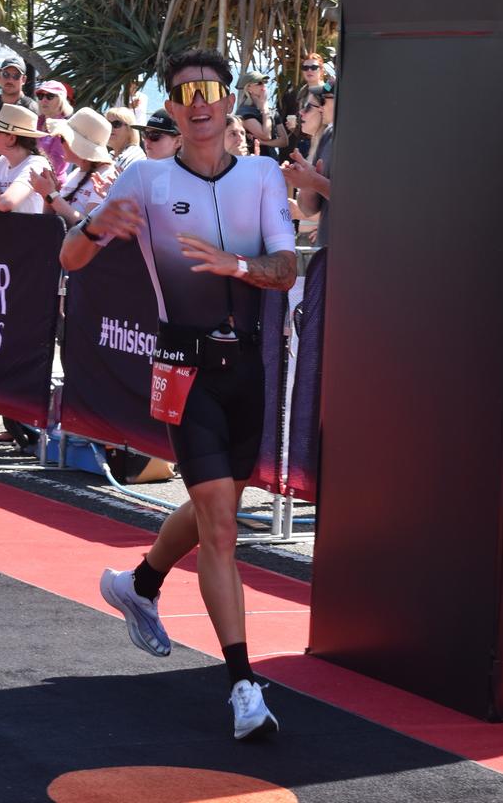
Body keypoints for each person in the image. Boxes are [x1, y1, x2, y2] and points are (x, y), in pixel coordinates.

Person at [60, 48, 296, 740]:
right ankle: (243, 685)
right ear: (170, 106)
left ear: (228, 104)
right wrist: (99, 225)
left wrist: (240, 265)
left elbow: (284, 268)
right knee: (220, 523)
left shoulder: (260, 175)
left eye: (210, 90)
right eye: (184, 92)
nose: (198, 102)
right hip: (181, 364)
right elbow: (71, 257)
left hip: (246, 369)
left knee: (213, 504)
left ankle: (140, 585)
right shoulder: (145, 177)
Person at [30, 107, 116, 227]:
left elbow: (87, 228)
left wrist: (51, 195)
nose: (58, 141)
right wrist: (48, 195)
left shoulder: (106, 177)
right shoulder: (76, 173)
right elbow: (49, 221)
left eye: (62, 138)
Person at [282, 77, 335, 248]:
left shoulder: (369, 141)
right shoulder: (329, 136)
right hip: (323, 252)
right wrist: (305, 182)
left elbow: (359, 204)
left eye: (325, 99)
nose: (321, 107)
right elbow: (310, 208)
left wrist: (312, 180)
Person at [235, 70, 287, 159]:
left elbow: (284, 141)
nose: (263, 86)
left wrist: (263, 142)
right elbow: (266, 135)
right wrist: (265, 109)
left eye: (264, 82)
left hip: (272, 161)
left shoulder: (272, 112)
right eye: (259, 83)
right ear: (248, 88)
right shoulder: (244, 112)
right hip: (254, 162)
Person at [35, 79, 73, 187]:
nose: (44, 100)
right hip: (34, 179)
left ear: (61, 100)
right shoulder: (37, 122)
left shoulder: (64, 127)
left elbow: (57, 164)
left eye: (50, 96)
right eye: (41, 96)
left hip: (54, 186)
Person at [0, 56, 39, 120]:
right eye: (6, 74)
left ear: (23, 80)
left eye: (16, 76)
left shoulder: (31, 109)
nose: (10, 80)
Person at [105, 106, 145, 171]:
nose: (110, 128)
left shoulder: (133, 154)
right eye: (107, 124)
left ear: (129, 129)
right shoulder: (111, 155)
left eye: (116, 124)